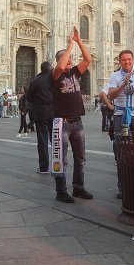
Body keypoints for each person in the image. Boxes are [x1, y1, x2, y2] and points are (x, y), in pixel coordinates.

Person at [100, 49, 134, 199]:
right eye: (124, 60)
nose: (127, 62)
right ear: (119, 61)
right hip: (121, 116)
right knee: (121, 151)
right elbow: (110, 95)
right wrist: (123, 84)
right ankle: (122, 187)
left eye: (129, 59)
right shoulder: (115, 76)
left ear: (133, 59)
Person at [52, 26, 93, 203]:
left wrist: (78, 41)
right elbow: (61, 65)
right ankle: (61, 191)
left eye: (70, 61)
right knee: (61, 158)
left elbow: (88, 59)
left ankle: (78, 188)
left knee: (81, 158)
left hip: (77, 122)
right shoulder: (55, 76)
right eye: (67, 60)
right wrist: (69, 46)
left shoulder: (75, 72)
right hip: (61, 123)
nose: (69, 63)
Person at [27, 62, 54, 174]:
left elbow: (29, 97)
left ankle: (43, 168)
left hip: (41, 114)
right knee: (56, 140)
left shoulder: (35, 81)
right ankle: (58, 166)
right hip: (55, 113)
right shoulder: (55, 79)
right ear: (51, 69)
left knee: (42, 140)